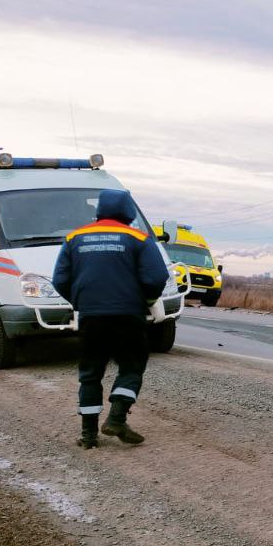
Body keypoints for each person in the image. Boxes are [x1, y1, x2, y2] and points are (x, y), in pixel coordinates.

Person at [52, 189, 168, 449]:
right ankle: (116, 418)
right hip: (128, 315)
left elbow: (59, 280)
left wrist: (81, 301)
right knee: (131, 365)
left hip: (91, 317)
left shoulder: (74, 237)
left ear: (100, 211)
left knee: (90, 373)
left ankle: (88, 436)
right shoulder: (139, 238)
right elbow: (157, 278)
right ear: (128, 211)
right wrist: (147, 300)